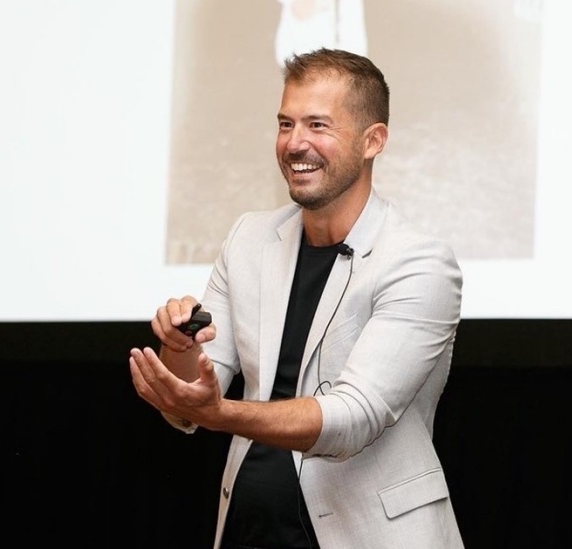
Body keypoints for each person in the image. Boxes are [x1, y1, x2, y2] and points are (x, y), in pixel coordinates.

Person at [129, 48, 464, 549]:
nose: (294, 143)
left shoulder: (419, 263)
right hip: (249, 532)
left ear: (373, 141)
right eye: (285, 124)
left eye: (317, 125)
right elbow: (194, 395)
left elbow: (352, 419)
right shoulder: (248, 239)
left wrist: (220, 413)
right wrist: (179, 349)